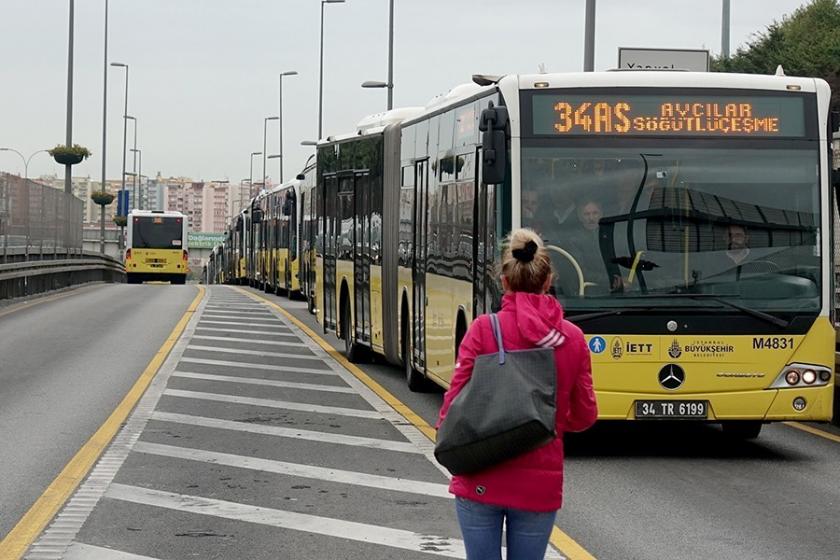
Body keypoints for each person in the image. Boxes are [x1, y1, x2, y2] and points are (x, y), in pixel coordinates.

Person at [437, 228, 598, 560]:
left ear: (504, 280)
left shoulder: (483, 329)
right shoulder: (572, 338)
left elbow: (452, 403)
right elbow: (585, 416)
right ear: (548, 279)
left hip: (481, 471)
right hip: (540, 483)